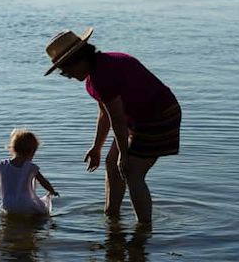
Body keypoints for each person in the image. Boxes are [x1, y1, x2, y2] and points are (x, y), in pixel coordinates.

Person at [44, 27, 181, 223]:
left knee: (131, 172)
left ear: (78, 60)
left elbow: (117, 119)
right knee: (111, 162)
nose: (68, 76)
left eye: (66, 71)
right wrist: (96, 148)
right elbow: (105, 115)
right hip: (139, 117)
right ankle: (112, 216)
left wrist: (124, 156)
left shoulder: (103, 73)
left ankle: (143, 230)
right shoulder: (95, 73)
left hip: (158, 116)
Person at [0, 129, 59, 215]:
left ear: (13, 148)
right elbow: (43, 181)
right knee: (43, 211)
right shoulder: (31, 167)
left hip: (8, 204)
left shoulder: (2, 165)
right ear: (31, 152)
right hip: (26, 204)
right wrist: (52, 191)